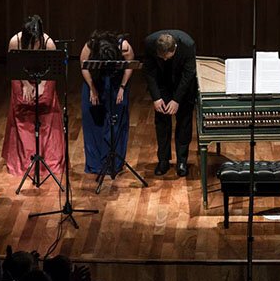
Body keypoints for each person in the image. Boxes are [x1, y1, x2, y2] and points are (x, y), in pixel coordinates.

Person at [1, 15, 65, 178]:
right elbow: (14, 66)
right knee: (22, 105)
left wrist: (42, 84)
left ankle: (47, 156)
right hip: (21, 75)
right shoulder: (15, 42)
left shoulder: (48, 43)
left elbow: (52, 69)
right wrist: (26, 84)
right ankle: (24, 158)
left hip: (45, 76)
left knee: (45, 106)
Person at [142, 30, 198, 177]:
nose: (165, 59)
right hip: (162, 83)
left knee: (184, 123)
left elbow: (188, 75)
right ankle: (163, 160)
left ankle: (182, 162)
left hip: (183, 86)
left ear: (174, 49)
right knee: (161, 123)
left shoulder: (187, 45)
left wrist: (177, 100)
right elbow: (149, 71)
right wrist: (156, 97)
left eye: (167, 56)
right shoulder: (149, 43)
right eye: (162, 57)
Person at [80, 30, 135, 174]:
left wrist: (122, 87)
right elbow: (83, 67)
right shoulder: (90, 46)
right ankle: (96, 164)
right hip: (95, 80)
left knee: (116, 121)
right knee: (93, 121)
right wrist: (92, 88)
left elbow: (129, 66)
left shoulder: (124, 46)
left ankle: (113, 163)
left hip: (116, 82)